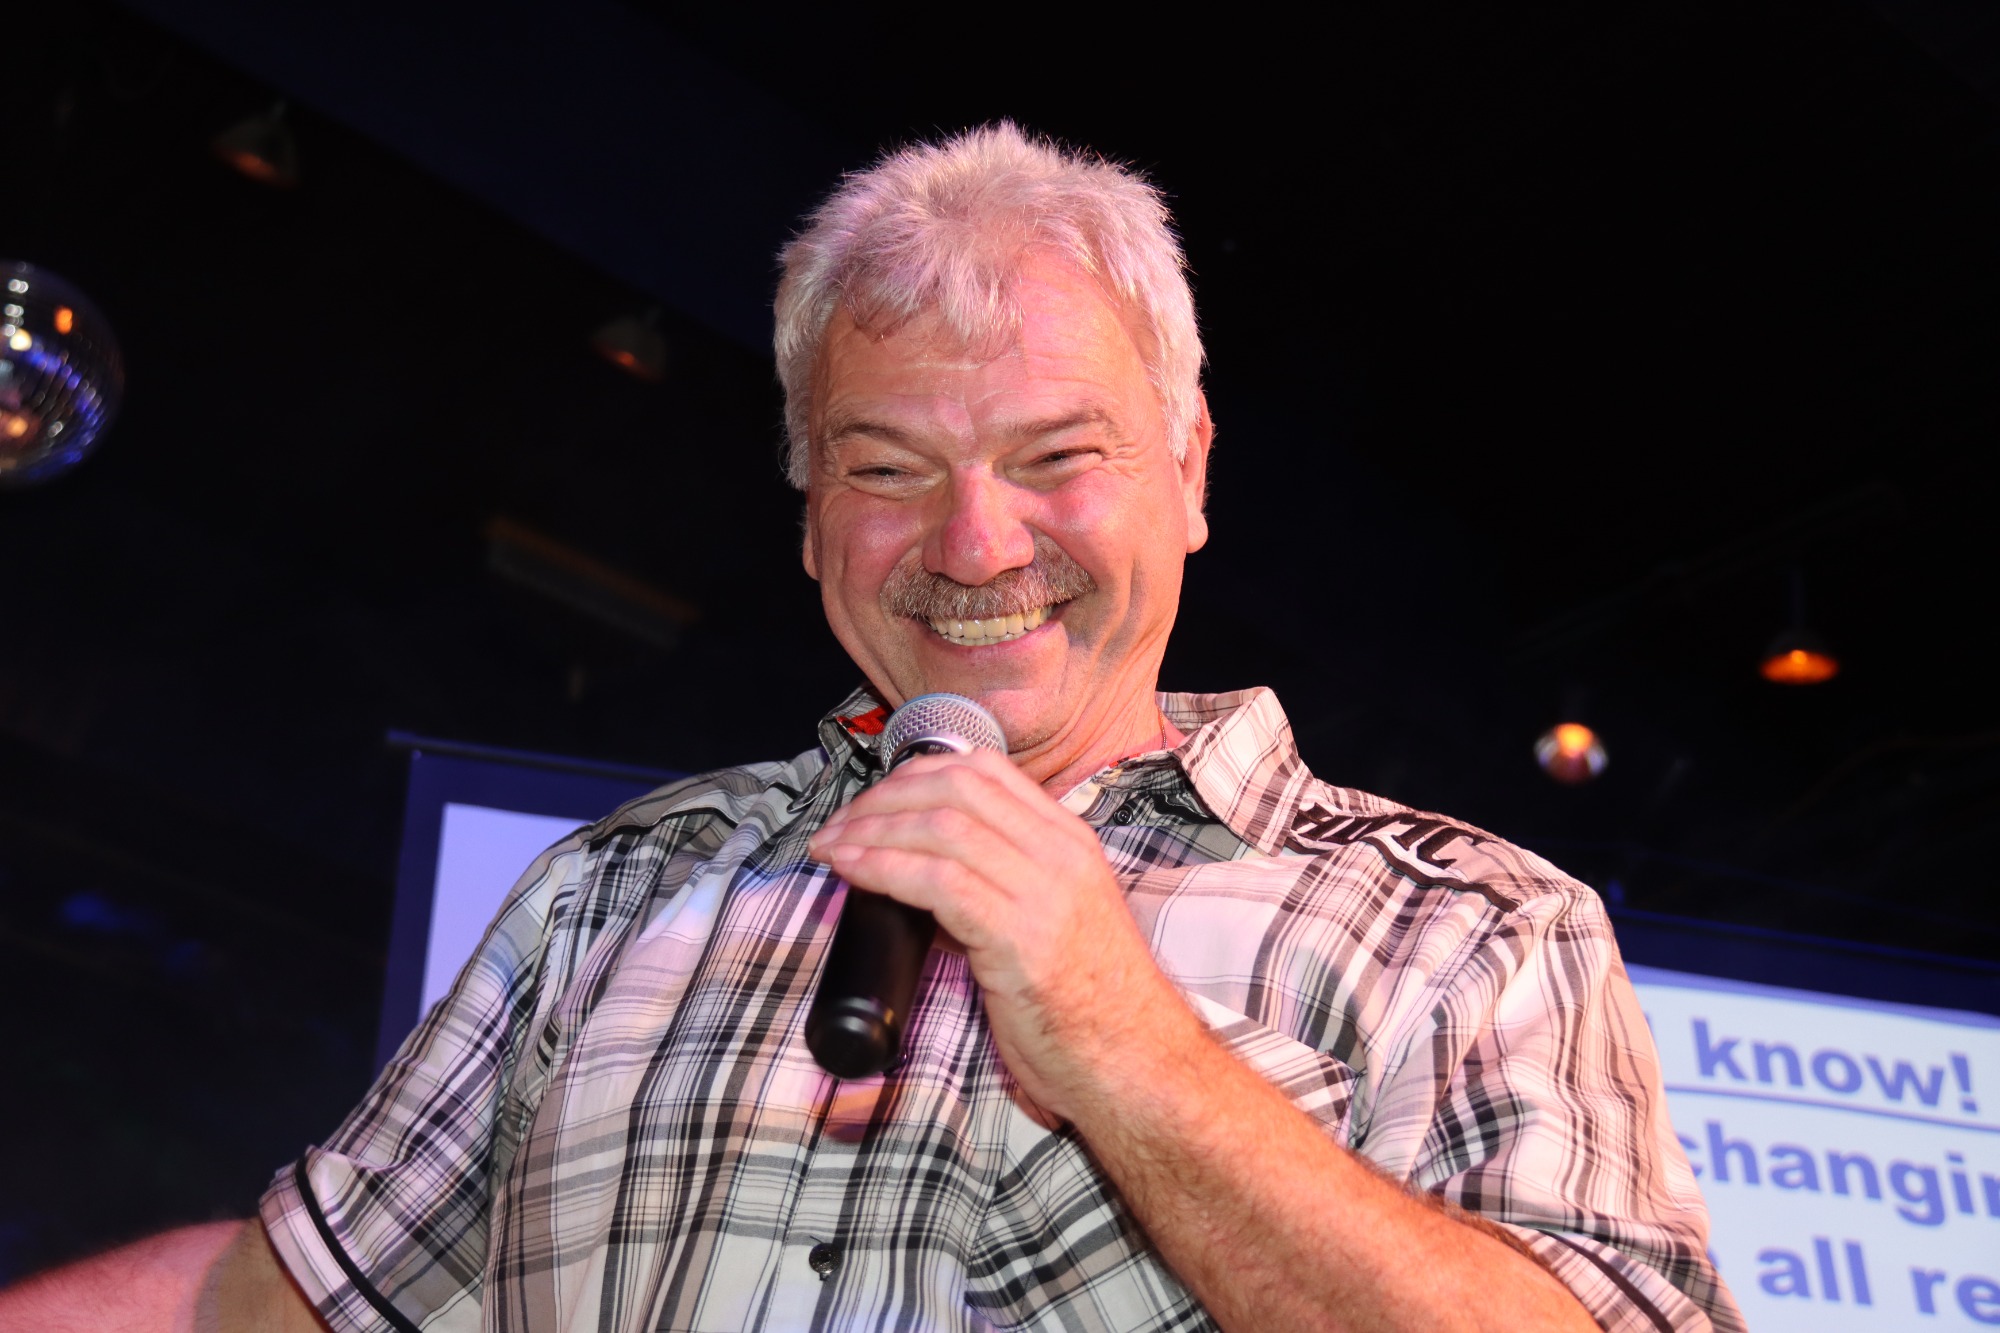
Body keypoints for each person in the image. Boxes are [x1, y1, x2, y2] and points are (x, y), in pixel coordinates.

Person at [0, 123, 1743, 1333]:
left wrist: (1123, 1039)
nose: (974, 546)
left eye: (1056, 457)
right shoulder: (613, 895)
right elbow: (265, 1304)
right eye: (889, 467)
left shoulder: (1473, 926)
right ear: (810, 509)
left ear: (1190, 470)